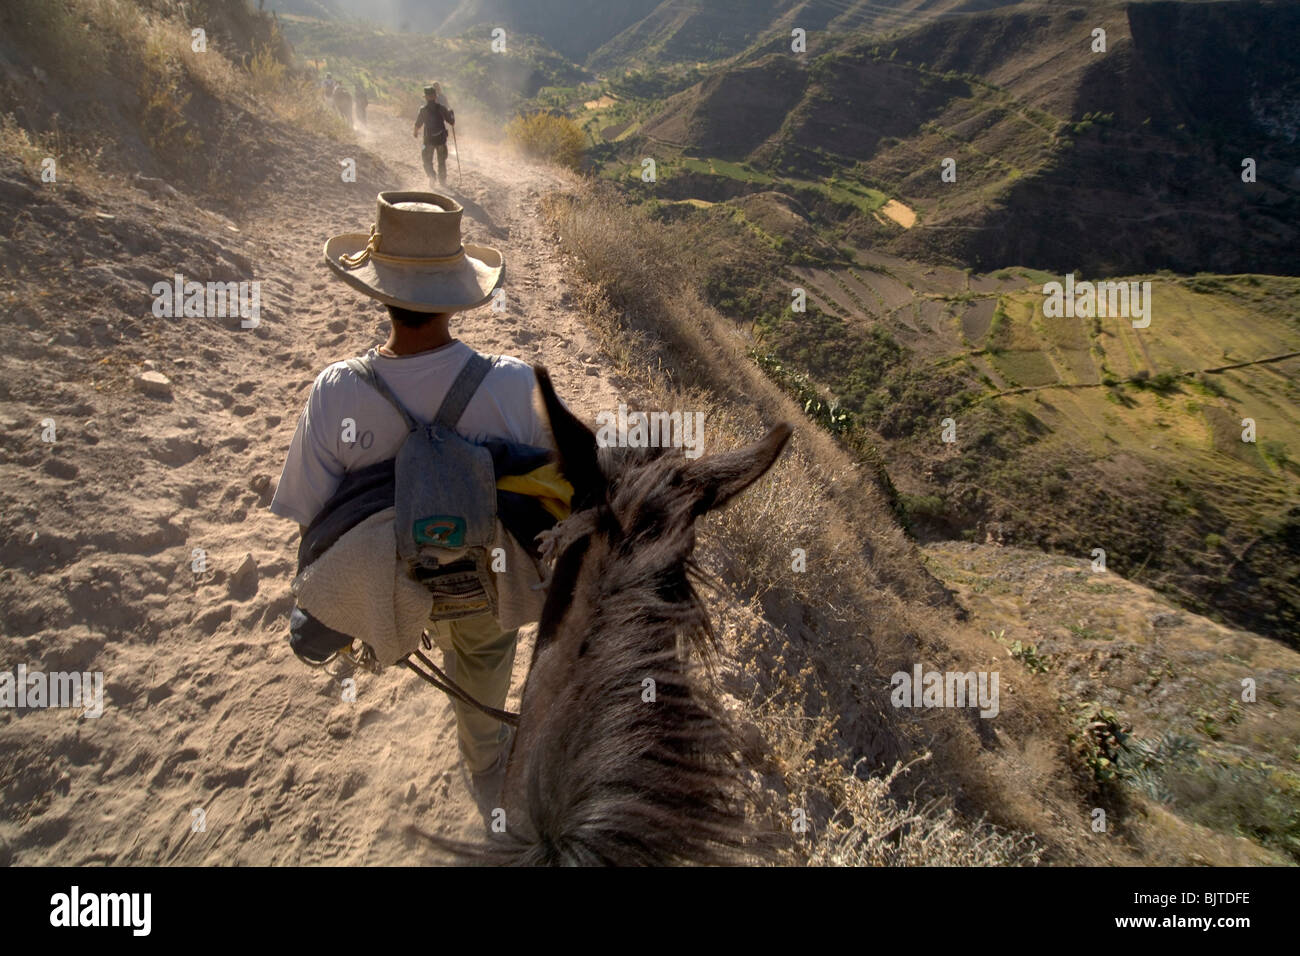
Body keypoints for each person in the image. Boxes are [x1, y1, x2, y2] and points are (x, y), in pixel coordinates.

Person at [271, 192, 545, 809]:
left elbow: (311, 515)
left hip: (385, 590)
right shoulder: (512, 383)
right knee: (483, 665)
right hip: (486, 588)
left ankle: (418, 636)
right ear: (457, 292)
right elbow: (549, 496)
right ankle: (485, 763)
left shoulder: (336, 391)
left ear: (378, 291)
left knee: (414, 622)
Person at [413, 83, 455, 187]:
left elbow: (418, 124)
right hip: (441, 139)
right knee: (441, 161)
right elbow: (451, 122)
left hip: (428, 140)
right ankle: (442, 181)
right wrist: (451, 114)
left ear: (426, 97)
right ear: (435, 96)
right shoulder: (442, 108)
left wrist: (415, 132)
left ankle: (432, 177)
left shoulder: (423, 110)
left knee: (427, 160)